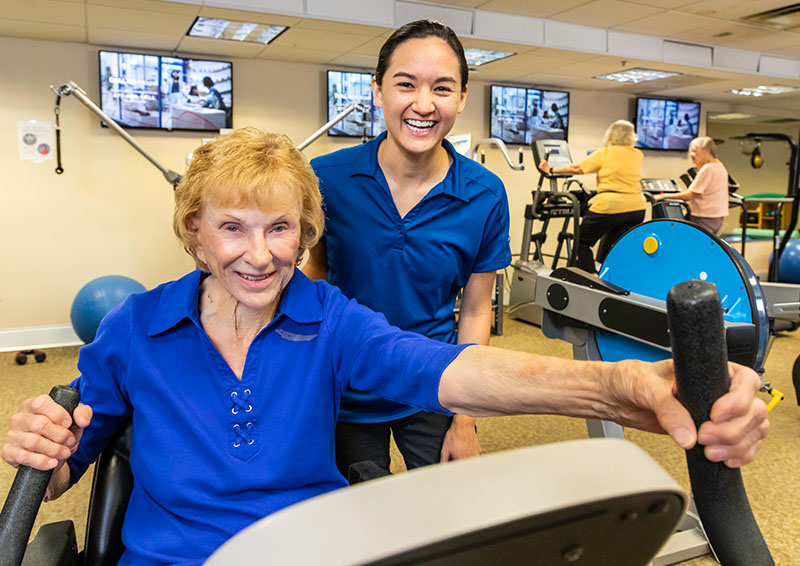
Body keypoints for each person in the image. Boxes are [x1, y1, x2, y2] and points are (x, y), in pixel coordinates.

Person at [2, 129, 768, 566]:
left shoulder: (328, 317)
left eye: (281, 229)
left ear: (305, 232)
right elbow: (71, 456)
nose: (259, 254)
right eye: (232, 227)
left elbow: (450, 368)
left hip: (317, 552)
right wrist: (45, 445)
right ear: (194, 234)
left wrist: (620, 388)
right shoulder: (134, 329)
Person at [306, 20, 510, 479]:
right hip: (347, 390)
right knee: (357, 524)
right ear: (378, 90)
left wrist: (465, 420)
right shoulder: (326, 178)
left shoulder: (486, 194)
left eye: (442, 88)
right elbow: (317, 275)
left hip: (433, 383)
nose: (423, 104)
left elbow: (476, 312)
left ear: (461, 98)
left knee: (443, 524)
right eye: (405, 84)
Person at [539, 119, 646, 273]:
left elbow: (578, 169)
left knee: (581, 242)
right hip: (637, 208)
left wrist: (550, 169)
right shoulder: (637, 154)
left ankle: (591, 279)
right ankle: (608, 276)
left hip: (611, 206)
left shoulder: (606, 152)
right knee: (615, 245)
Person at [654, 136, 729, 235]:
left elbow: (691, 194)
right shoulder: (719, 166)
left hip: (704, 217)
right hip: (716, 217)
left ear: (706, 150)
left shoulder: (708, 168)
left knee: (696, 245)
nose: (691, 155)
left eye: (694, 151)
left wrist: (664, 196)